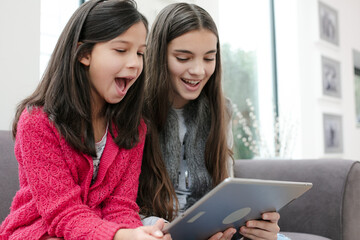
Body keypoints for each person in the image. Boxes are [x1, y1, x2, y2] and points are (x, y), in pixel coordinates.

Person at [0, 0, 171, 239]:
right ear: (84, 54)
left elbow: (120, 206)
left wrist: (136, 233)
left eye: (140, 53)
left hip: (100, 230)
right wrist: (123, 236)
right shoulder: (37, 122)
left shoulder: (134, 126)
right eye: (121, 50)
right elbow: (62, 213)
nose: (135, 63)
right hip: (41, 231)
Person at [137, 2, 287, 240]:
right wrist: (157, 226)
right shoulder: (134, 111)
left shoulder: (221, 109)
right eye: (183, 58)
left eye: (209, 58)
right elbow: (119, 203)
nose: (198, 70)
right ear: (158, 55)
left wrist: (258, 227)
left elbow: (226, 189)